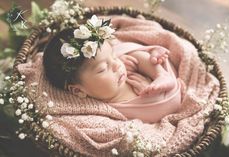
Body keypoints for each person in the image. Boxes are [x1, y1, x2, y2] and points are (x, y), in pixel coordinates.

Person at [43, 15, 182, 123]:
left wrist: (149, 56)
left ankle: (161, 73)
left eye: (113, 57)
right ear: (78, 90)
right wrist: (152, 95)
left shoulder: (120, 63)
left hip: (160, 77)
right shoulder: (107, 111)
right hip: (161, 103)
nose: (117, 65)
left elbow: (118, 50)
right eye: (103, 69)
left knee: (131, 55)